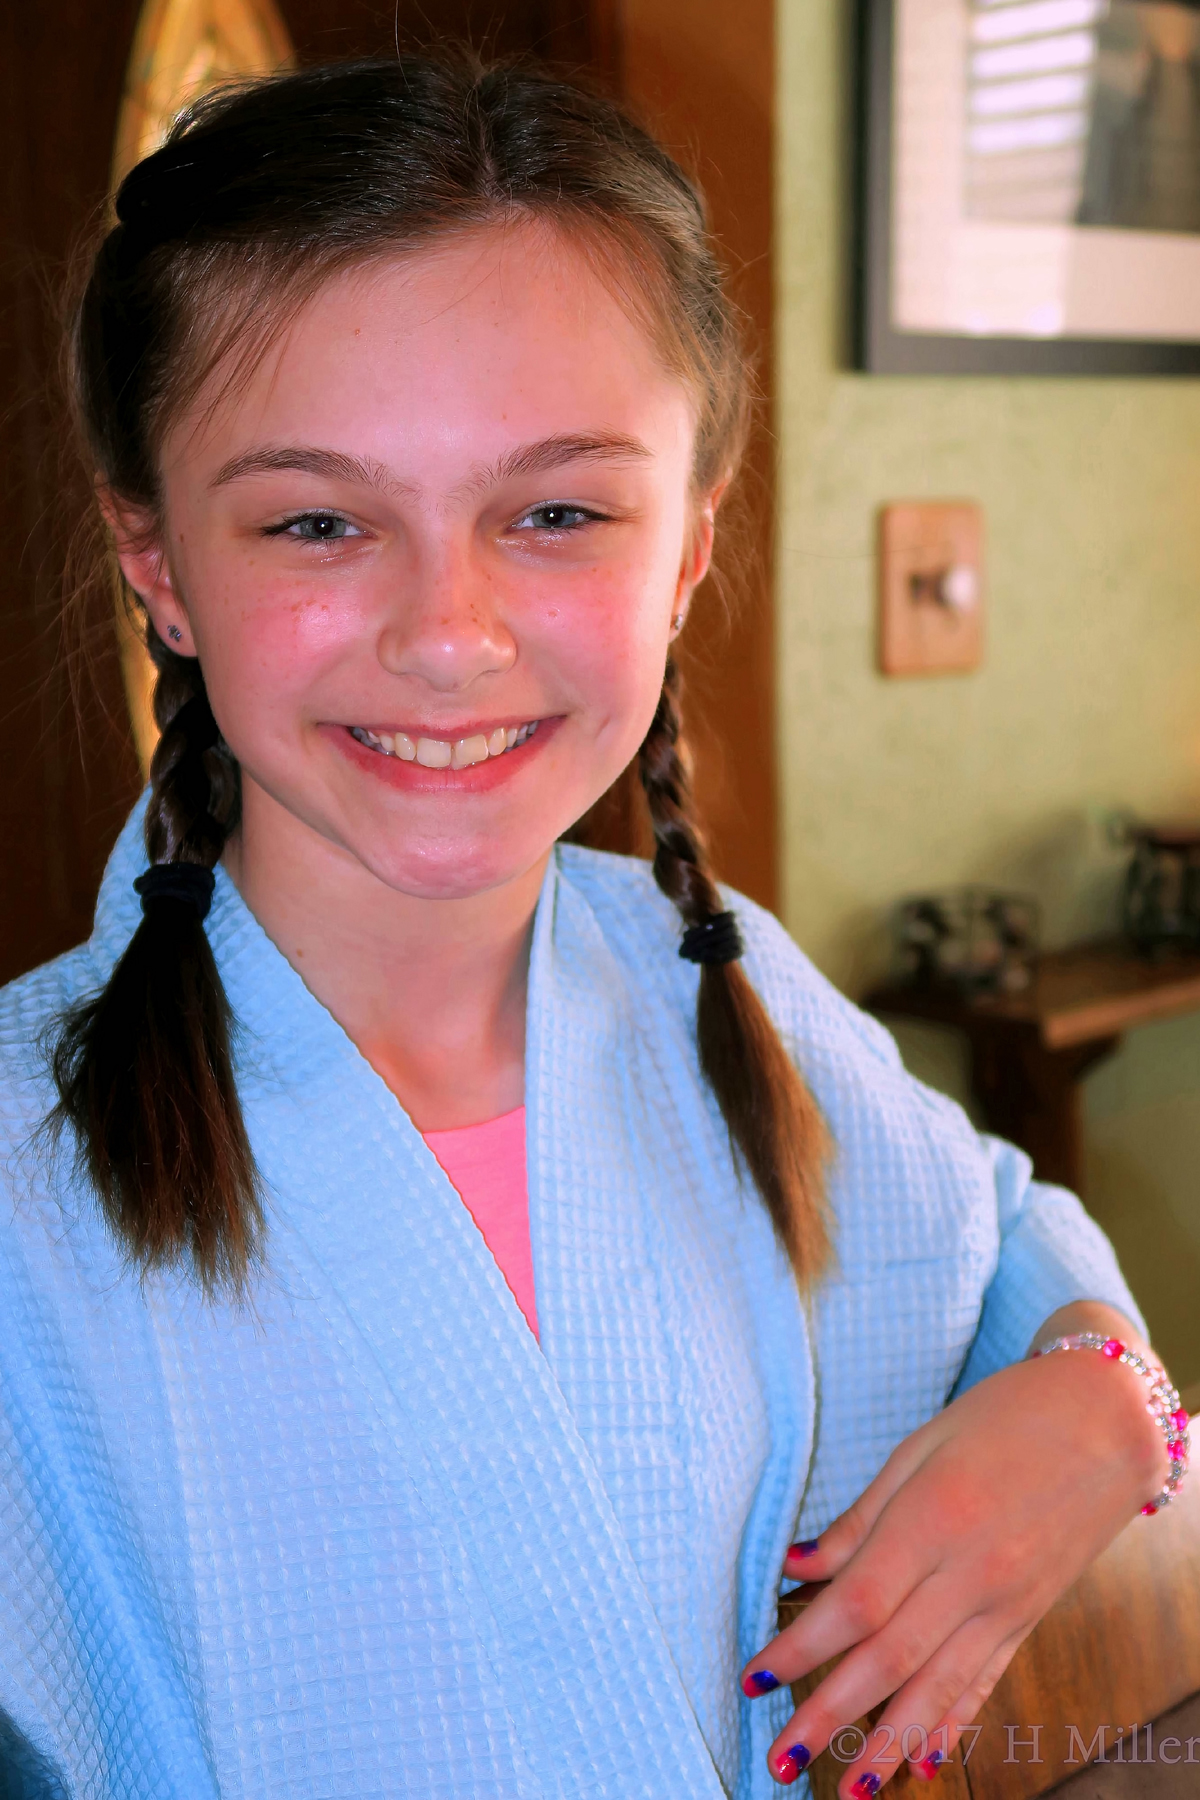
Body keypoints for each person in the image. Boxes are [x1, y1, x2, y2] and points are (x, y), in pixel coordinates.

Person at [0, 55, 1186, 1800]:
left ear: (690, 546)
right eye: (318, 521)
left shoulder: (727, 991)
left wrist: (1108, 1404)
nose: (451, 633)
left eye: (556, 512)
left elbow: (1013, 1247)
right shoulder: (28, 1169)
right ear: (159, 562)